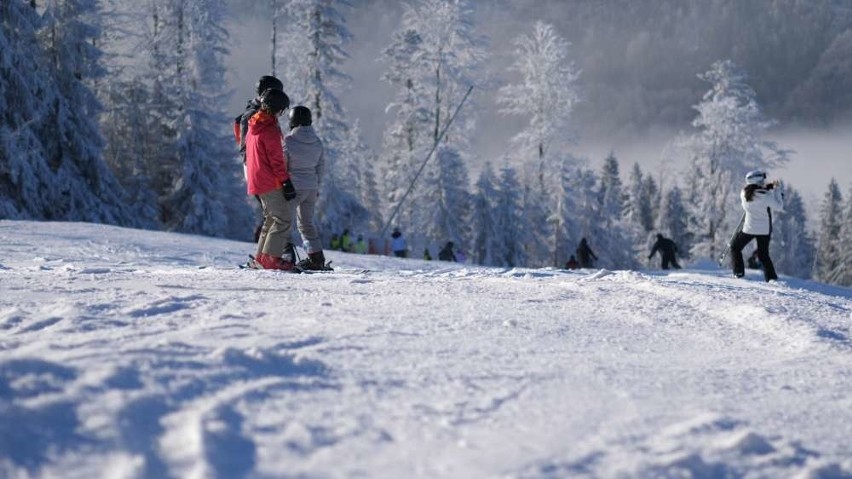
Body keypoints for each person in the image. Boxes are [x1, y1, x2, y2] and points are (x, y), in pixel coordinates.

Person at [245, 88, 297, 270]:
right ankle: (271, 259)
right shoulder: (269, 130)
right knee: (283, 219)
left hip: (257, 179)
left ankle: (262, 257)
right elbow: (276, 161)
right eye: (281, 109)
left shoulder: (255, 124)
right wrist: (286, 182)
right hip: (269, 179)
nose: (282, 113)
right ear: (276, 108)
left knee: (270, 219)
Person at [234, 76, 287, 242]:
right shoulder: (258, 115)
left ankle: (268, 251)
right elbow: (259, 141)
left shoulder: (251, 111)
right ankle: (273, 251)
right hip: (259, 167)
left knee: (271, 211)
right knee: (275, 212)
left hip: (253, 165)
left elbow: (238, 129)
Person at [283, 105, 329, 271]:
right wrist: (316, 185)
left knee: (284, 222)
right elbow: (321, 167)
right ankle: (316, 258)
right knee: (307, 224)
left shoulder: (289, 141)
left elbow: (283, 165)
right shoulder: (317, 142)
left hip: (293, 187)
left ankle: (286, 258)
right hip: (311, 187)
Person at [730, 170, 784, 282]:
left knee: (735, 247)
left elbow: (755, 192)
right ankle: (771, 278)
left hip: (749, 228)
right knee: (763, 255)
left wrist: (767, 188)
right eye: (762, 180)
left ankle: (738, 273)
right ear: (758, 181)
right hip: (764, 230)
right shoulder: (766, 196)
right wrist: (777, 190)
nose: (764, 182)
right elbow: (779, 206)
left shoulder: (744, 194)